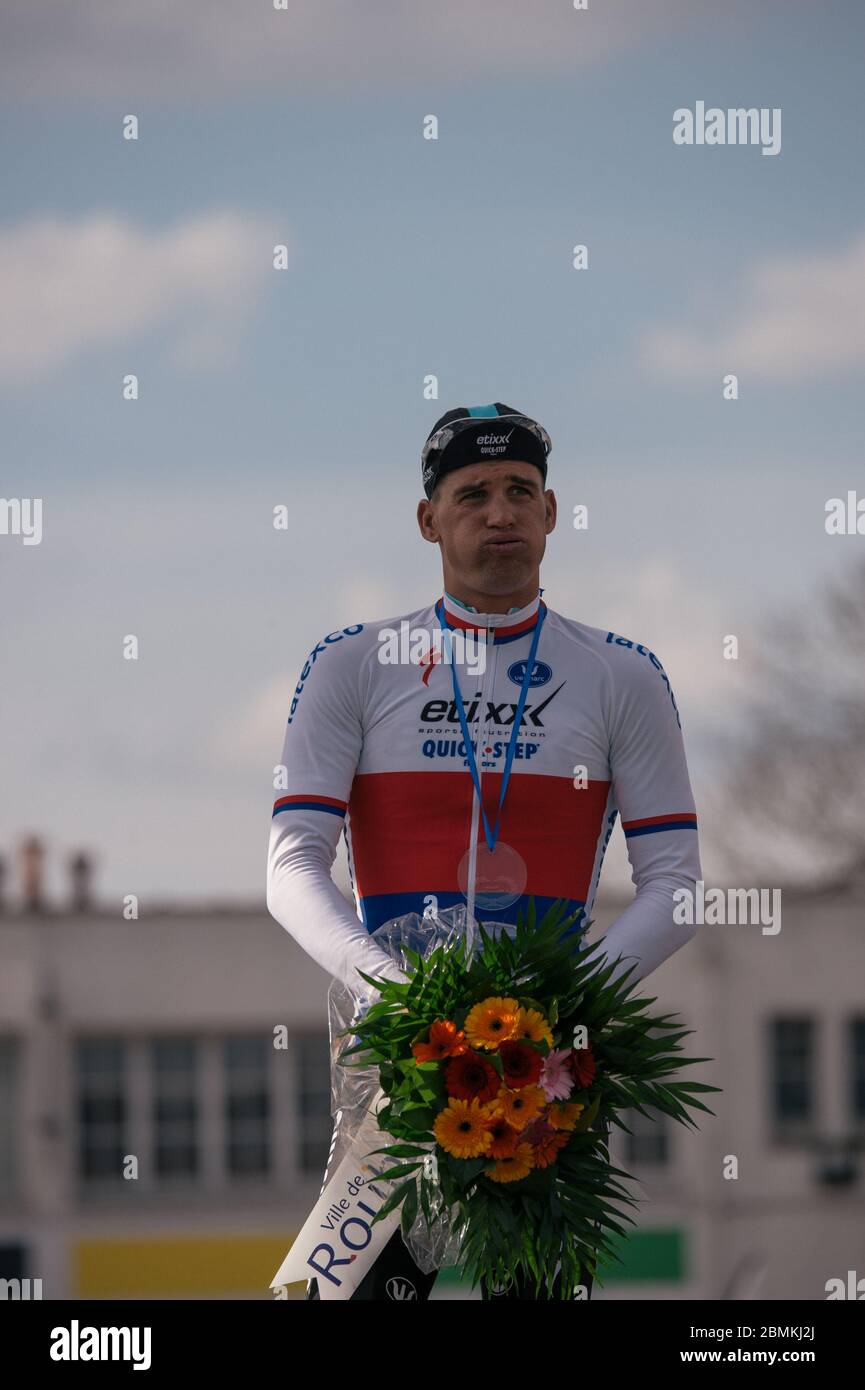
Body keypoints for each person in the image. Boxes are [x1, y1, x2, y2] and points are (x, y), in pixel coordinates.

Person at [266, 402, 702, 1300]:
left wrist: (562, 1003)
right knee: (349, 1297)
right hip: (401, 1045)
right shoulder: (354, 664)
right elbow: (290, 868)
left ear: (550, 512)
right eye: (472, 495)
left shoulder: (621, 675)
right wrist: (394, 991)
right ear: (429, 520)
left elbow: (677, 885)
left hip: (544, 1052)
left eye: (519, 492)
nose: (498, 513)